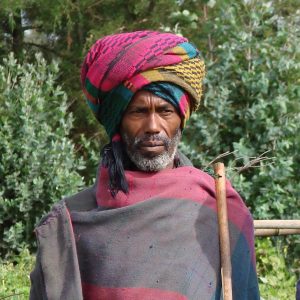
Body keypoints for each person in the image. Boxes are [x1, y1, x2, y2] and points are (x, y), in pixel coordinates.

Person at [30, 31, 259, 299]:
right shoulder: (72, 220)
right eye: (138, 112)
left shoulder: (216, 206)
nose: (153, 127)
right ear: (118, 122)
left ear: (181, 118)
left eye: (165, 111)